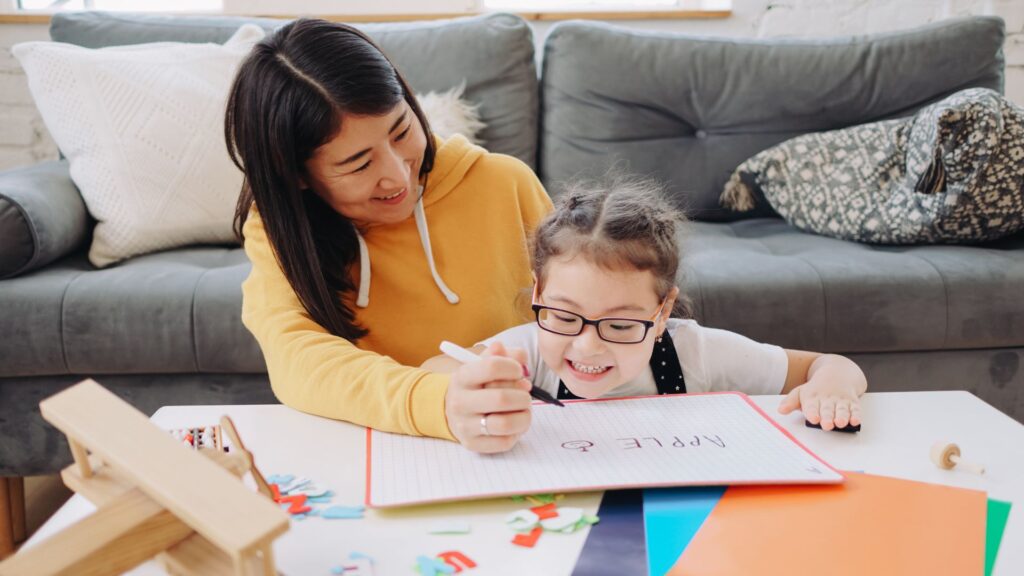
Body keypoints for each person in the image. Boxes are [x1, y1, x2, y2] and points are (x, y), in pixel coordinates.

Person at [225, 18, 548, 452]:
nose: (397, 175)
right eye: (358, 164)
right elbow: (295, 357)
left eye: (401, 131)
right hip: (375, 445)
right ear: (297, 174)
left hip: (520, 441)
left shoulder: (504, 183)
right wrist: (438, 402)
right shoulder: (279, 227)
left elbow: (574, 313)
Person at [423, 174, 867, 451]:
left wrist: (831, 389)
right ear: (539, 292)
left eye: (620, 324)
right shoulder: (526, 351)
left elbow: (829, 365)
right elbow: (432, 371)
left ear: (661, 312)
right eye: (565, 316)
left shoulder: (695, 351)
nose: (587, 345)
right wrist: (472, 386)